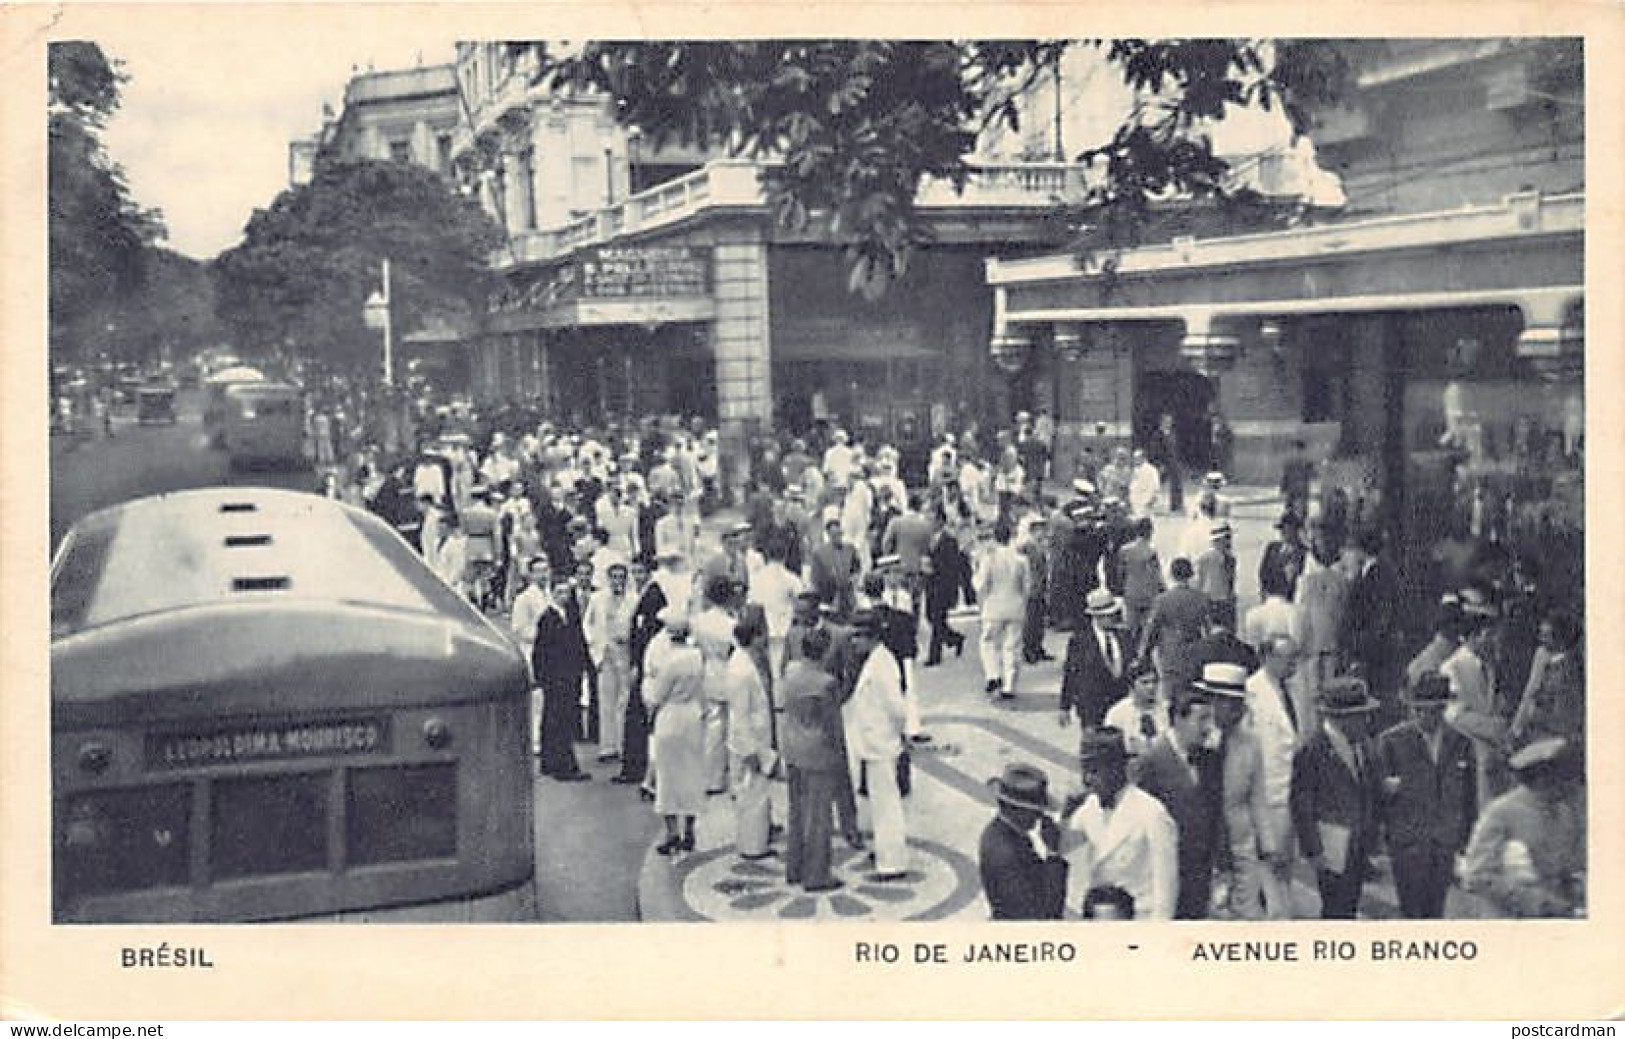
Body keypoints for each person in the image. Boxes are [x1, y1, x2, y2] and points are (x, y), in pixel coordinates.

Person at [1376, 673, 1478, 919]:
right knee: (1412, 912)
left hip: (1444, 841)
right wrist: (1385, 836)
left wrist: (1466, 839)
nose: (1425, 716)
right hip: (1408, 843)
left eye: (1433, 711)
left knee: (1436, 910)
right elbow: (1378, 796)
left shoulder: (1461, 743)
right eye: (1420, 710)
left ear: (1443, 709)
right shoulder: (1392, 742)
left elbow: (1469, 795)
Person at [1289, 677, 1384, 919]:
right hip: (1331, 849)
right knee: (1335, 911)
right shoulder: (1312, 751)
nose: (1366, 721)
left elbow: (1369, 791)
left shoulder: (1363, 746)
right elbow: (1302, 805)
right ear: (1342, 718)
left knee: (1349, 907)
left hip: (1358, 846)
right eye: (1360, 716)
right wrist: (1313, 851)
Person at [1460, 737, 1585, 918]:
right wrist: (1538, 902)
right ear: (1543, 778)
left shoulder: (1565, 812)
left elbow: (1570, 864)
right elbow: (1477, 876)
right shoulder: (1501, 812)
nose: (1574, 786)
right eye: (1566, 778)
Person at [1064, 726, 1179, 921]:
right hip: (1100, 917)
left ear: (1116, 769)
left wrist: (1157, 932)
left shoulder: (1152, 813)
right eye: (1085, 771)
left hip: (1139, 919)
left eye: (1095, 771)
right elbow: (1065, 849)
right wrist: (1066, 813)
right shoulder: (1089, 807)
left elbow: (1166, 891)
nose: (1087, 779)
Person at [1133, 689, 1221, 919]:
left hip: (1200, 876)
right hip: (1165, 874)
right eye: (1201, 719)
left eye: (1210, 719)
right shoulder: (1151, 762)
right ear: (1178, 720)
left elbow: (1215, 816)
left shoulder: (1210, 759)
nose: (1208, 727)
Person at [844, 610, 910, 880]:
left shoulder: (883, 664)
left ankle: (892, 861)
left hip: (881, 742)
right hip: (874, 742)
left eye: (857, 637)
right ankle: (885, 850)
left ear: (870, 636)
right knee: (879, 801)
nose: (853, 642)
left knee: (886, 804)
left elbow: (897, 708)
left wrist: (897, 734)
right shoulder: (875, 660)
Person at [779, 627, 846, 892]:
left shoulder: (791, 672)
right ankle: (817, 874)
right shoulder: (826, 683)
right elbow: (832, 725)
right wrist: (839, 754)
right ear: (825, 652)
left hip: (792, 747)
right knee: (818, 817)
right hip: (818, 752)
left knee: (796, 812)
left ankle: (794, 866)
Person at [1206, 663, 1270, 920]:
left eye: (1238, 703)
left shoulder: (1250, 743)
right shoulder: (1197, 740)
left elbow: (1258, 796)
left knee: (1248, 915)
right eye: (1227, 703)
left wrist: (1268, 842)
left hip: (1241, 842)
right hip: (1205, 845)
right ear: (1211, 702)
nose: (1235, 711)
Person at [1244, 634, 1302, 919]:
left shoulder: (1288, 690)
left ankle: (1278, 914)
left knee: (1284, 864)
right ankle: (1276, 920)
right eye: (1288, 659)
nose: (1294, 665)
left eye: (1295, 658)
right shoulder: (1252, 694)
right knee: (1272, 864)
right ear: (1267, 658)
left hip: (1289, 791)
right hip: (1268, 793)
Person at [644, 608, 706, 854]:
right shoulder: (697, 657)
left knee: (667, 776)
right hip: (692, 715)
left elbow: (656, 696)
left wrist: (650, 710)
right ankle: (689, 829)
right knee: (692, 772)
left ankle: (672, 833)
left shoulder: (669, 662)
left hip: (670, 716)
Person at [978, 764, 1069, 920]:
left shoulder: (1004, 834)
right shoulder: (1006, 851)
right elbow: (1045, 912)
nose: (1040, 816)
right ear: (1014, 809)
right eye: (1034, 810)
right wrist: (1053, 854)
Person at [1441, 607, 1509, 810]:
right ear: (1473, 636)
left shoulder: (1490, 664)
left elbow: (1496, 703)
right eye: (1489, 635)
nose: (1494, 640)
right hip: (1470, 750)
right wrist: (1492, 728)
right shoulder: (1452, 667)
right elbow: (1453, 715)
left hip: (1495, 751)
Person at [725, 609, 776, 860]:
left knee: (755, 793)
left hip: (755, 738)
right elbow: (740, 714)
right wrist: (750, 751)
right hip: (750, 741)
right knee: (752, 794)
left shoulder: (743, 662)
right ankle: (753, 846)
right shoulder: (741, 670)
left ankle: (755, 841)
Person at [533, 572, 591, 783]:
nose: (563, 596)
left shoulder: (570, 616)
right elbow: (540, 651)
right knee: (558, 720)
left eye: (566, 592)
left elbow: (579, 642)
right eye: (559, 592)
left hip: (569, 675)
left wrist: (583, 666)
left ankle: (552, 762)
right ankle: (563, 766)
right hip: (555, 677)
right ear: (552, 593)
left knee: (560, 719)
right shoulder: (548, 618)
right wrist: (542, 677)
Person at [614, 556, 666, 787]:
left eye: (640, 572)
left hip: (646, 663)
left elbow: (646, 635)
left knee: (636, 714)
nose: (636, 577)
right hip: (639, 659)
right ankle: (636, 765)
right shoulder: (643, 594)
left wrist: (638, 663)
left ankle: (636, 767)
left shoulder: (652, 596)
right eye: (634, 572)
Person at [1136, 557, 1209, 706]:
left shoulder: (1162, 600)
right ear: (1190, 574)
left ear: (1172, 575)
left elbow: (1151, 630)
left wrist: (1142, 654)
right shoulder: (1201, 598)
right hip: (1195, 653)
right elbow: (1208, 629)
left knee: (1170, 699)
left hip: (1171, 655)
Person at [585, 559, 637, 764]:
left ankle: (623, 744)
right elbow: (587, 624)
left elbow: (637, 625)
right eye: (614, 577)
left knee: (624, 699)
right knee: (606, 699)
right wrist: (594, 647)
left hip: (625, 652)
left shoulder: (633, 599)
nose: (617, 581)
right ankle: (607, 747)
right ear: (608, 579)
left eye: (621, 578)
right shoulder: (597, 599)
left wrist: (629, 638)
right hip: (605, 653)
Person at [1508, 610, 1584, 748]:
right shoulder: (1543, 655)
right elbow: (1531, 691)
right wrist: (1516, 728)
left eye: (1547, 636)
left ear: (1561, 639)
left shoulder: (1569, 670)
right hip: (1537, 729)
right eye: (1541, 634)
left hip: (1558, 737)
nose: (1541, 640)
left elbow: (1568, 722)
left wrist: (1534, 715)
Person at [1059, 588, 1130, 730]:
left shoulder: (1125, 636)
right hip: (1092, 706)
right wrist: (1065, 706)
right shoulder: (1080, 641)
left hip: (1119, 703)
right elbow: (1071, 674)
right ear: (1097, 617)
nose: (1114, 618)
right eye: (1109, 615)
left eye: (1114, 614)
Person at [974, 519, 1029, 700]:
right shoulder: (1021, 559)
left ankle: (993, 675)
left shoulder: (989, 558)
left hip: (993, 606)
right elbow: (1027, 586)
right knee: (1012, 646)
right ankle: (1009, 685)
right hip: (1016, 605)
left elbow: (980, 584)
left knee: (988, 642)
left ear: (994, 537)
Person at [922, 508, 969, 666]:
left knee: (937, 619)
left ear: (940, 521)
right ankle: (954, 638)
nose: (929, 523)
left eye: (932, 520)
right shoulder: (929, 539)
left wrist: (952, 587)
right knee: (931, 617)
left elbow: (953, 566)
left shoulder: (949, 540)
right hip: (931, 584)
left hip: (943, 585)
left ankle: (934, 656)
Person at [1103, 659, 1168, 760]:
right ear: (1132, 686)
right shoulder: (1117, 714)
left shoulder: (1168, 710)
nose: (1151, 687)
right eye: (1145, 682)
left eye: (1154, 682)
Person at [1115, 517, 1163, 651]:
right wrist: (1162, 588)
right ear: (1149, 531)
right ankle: (1143, 653)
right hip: (1148, 592)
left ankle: (1129, 652)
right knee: (1148, 628)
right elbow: (1156, 574)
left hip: (1130, 591)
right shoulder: (1151, 550)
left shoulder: (1125, 550)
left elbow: (1120, 572)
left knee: (1130, 627)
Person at [809, 517, 860, 620]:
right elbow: (815, 579)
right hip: (829, 598)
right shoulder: (819, 554)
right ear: (828, 535)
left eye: (839, 534)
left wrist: (853, 580)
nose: (838, 538)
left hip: (848, 598)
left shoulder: (850, 549)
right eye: (834, 535)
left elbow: (856, 569)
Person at [1195, 521, 1238, 633]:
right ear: (1219, 540)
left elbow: (1200, 581)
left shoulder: (1204, 558)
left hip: (1214, 601)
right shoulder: (1226, 559)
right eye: (1227, 538)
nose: (1229, 542)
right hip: (1218, 602)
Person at [1257, 511, 1308, 604]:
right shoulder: (1272, 548)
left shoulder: (1304, 553)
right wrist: (1265, 592)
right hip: (1271, 600)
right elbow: (1263, 572)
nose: (1283, 532)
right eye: (1281, 528)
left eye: (1287, 528)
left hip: (1292, 602)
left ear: (1296, 530)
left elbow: (1303, 579)